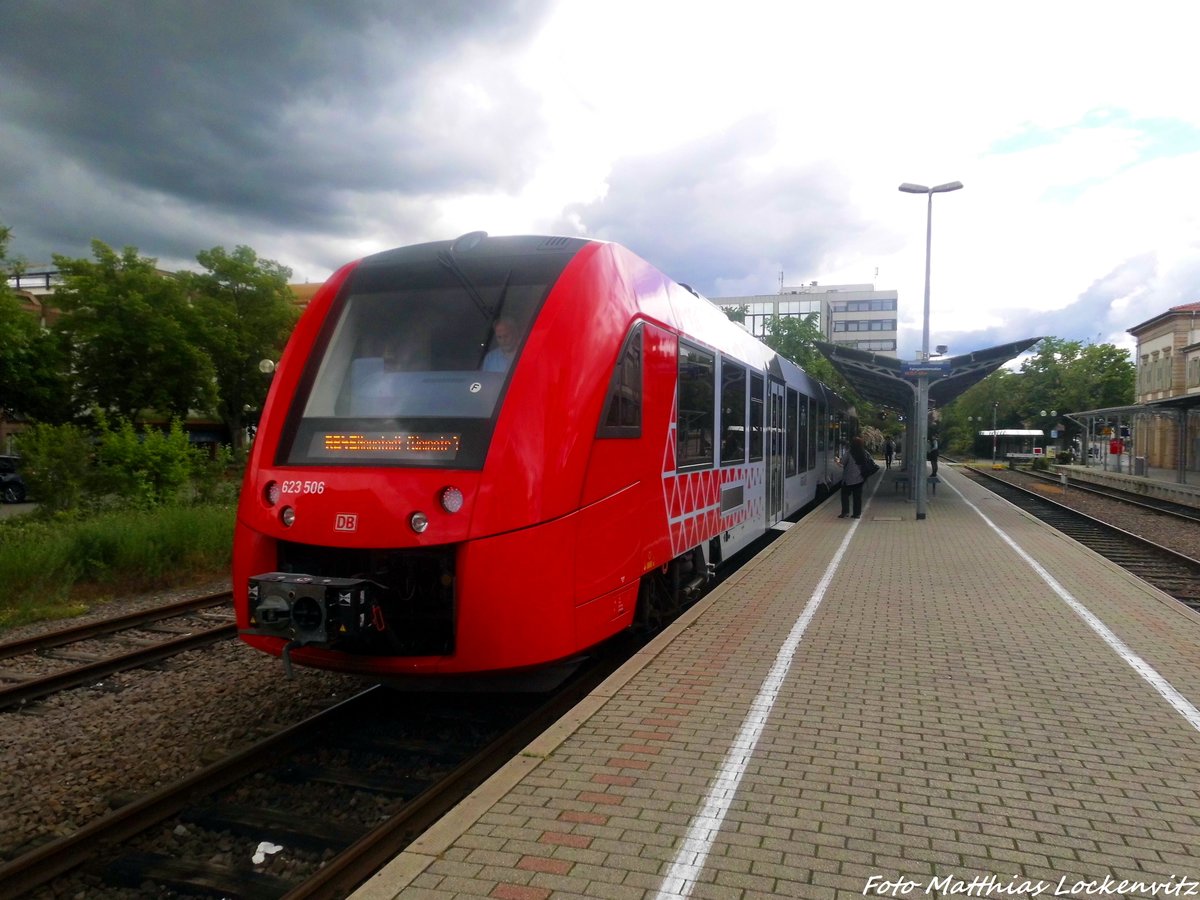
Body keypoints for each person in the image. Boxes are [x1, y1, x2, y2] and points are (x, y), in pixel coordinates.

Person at [837, 436, 870, 519]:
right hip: (860, 479)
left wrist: (837, 461)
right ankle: (857, 514)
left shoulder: (849, 453)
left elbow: (842, 463)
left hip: (848, 479)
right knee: (857, 498)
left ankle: (845, 512)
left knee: (844, 495)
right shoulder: (864, 453)